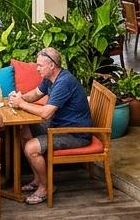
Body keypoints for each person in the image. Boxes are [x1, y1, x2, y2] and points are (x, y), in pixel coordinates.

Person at [8, 48, 94, 205]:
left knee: (31, 148)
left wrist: (22, 104)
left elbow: (46, 113)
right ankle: (38, 178)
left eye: (40, 65)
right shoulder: (50, 79)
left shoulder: (63, 82)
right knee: (24, 130)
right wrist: (19, 98)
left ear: (52, 65)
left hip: (75, 134)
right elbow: (35, 93)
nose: (37, 68)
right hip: (59, 125)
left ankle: (45, 187)